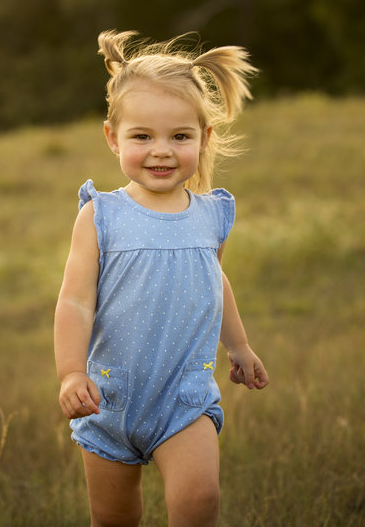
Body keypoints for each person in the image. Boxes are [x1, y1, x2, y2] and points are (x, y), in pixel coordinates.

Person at [54, 30, 269, 526]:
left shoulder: (210, 214)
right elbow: (75, 302)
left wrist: (237, 346)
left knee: (198, 502)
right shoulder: (101, 216)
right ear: (113, 137)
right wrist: (70, 371)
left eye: (179, 136)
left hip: (184, 396)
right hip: (108, 397)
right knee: (113, 518)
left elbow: (214, 281)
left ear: (204, 138)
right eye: (142, 136)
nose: (162, 151)